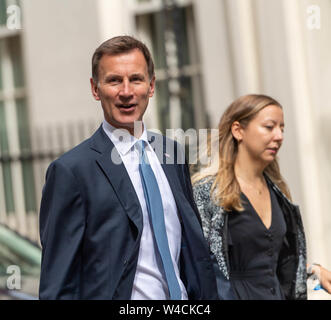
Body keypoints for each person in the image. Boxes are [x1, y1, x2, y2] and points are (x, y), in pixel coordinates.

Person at [38, 36, 218, 300]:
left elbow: (193, 251)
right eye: (113, 80)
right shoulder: (71, 172)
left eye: (136, 79)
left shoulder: (172, 154)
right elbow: (58, 284)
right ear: (95, 88)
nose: (126, 91)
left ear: (151, 85)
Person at [192, 94, 331, 300]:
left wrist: (314, 271)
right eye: (269, 127)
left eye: (282, 128)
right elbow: (199, 265)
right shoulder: (209, 191)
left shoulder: (278, 192)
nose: (279, 136)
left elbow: (273, 263)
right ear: (238, 130)